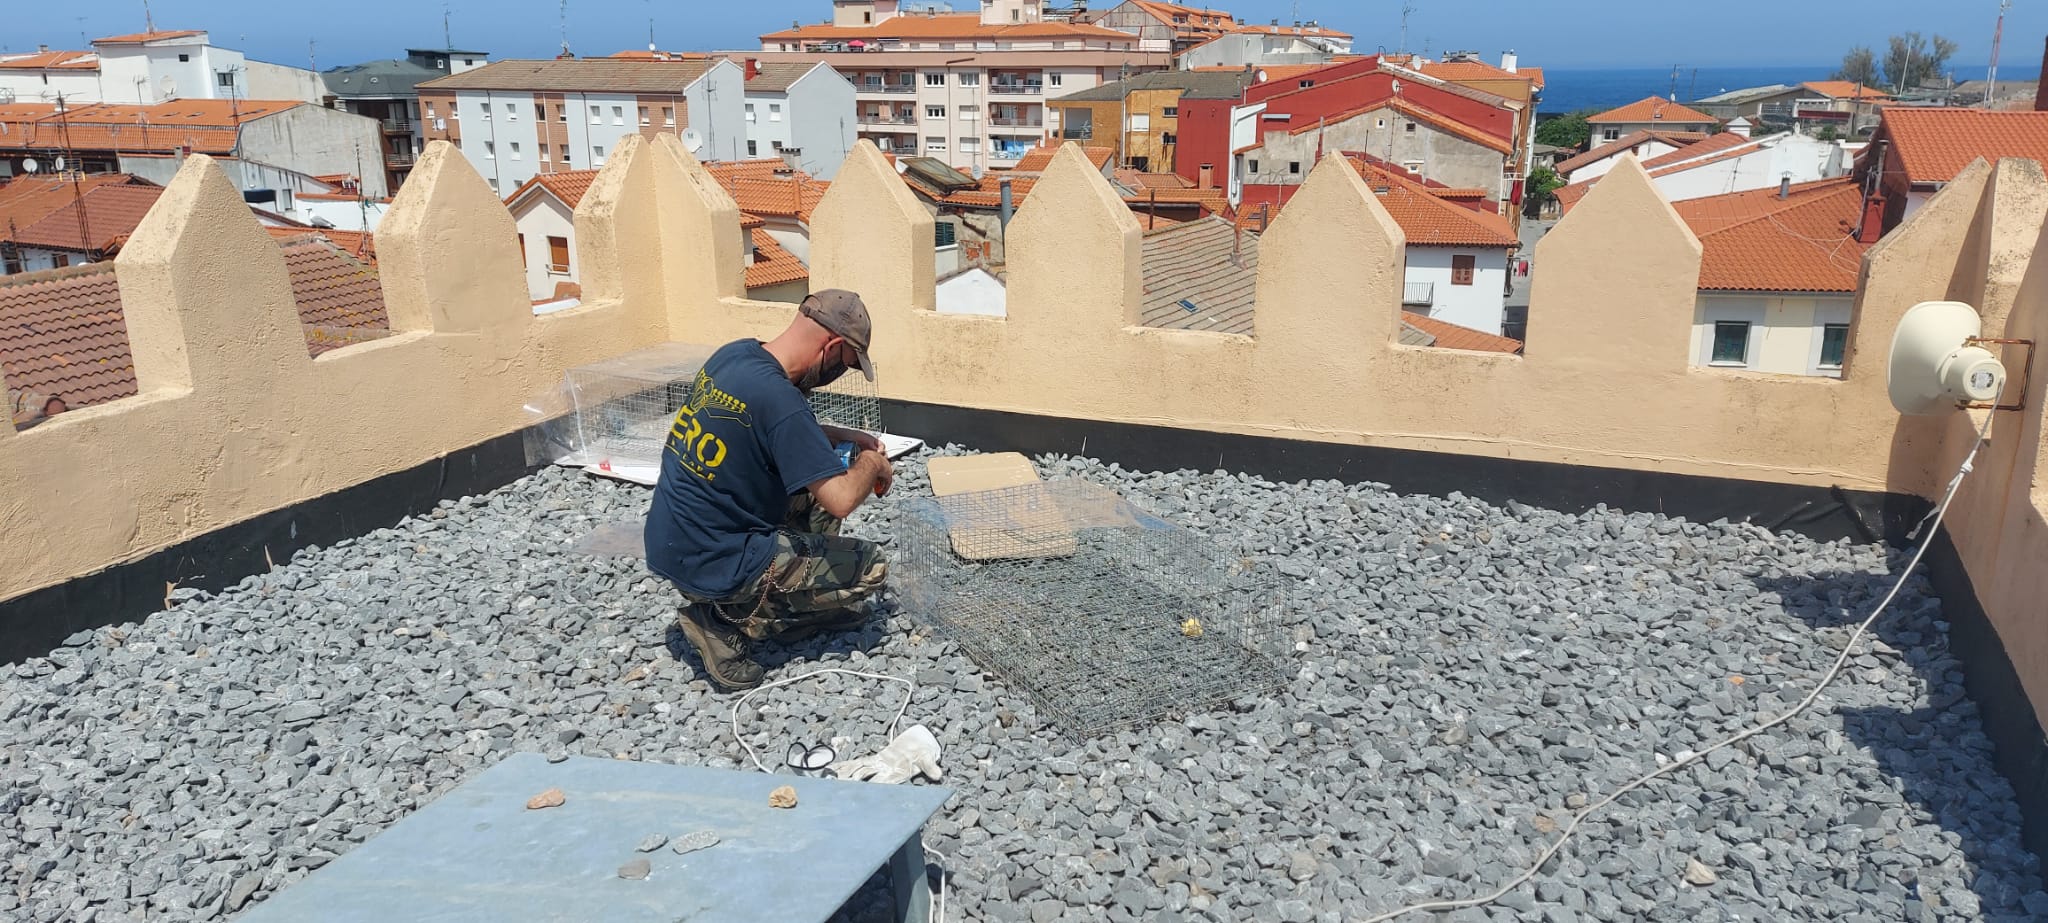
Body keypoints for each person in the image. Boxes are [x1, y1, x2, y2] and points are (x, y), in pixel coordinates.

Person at [644, 290, 895, 691]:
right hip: (717, 561)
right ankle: (723, 621)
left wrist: (845, 437)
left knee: (826, 473)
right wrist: (874, 463)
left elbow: (776, 432)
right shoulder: (781, 400)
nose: (839, 376)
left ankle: (792, 598)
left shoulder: (736, 356)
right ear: (831, 346)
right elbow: (843, 500)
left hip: (674, 543)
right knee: (872, 565)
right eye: (845, 365)